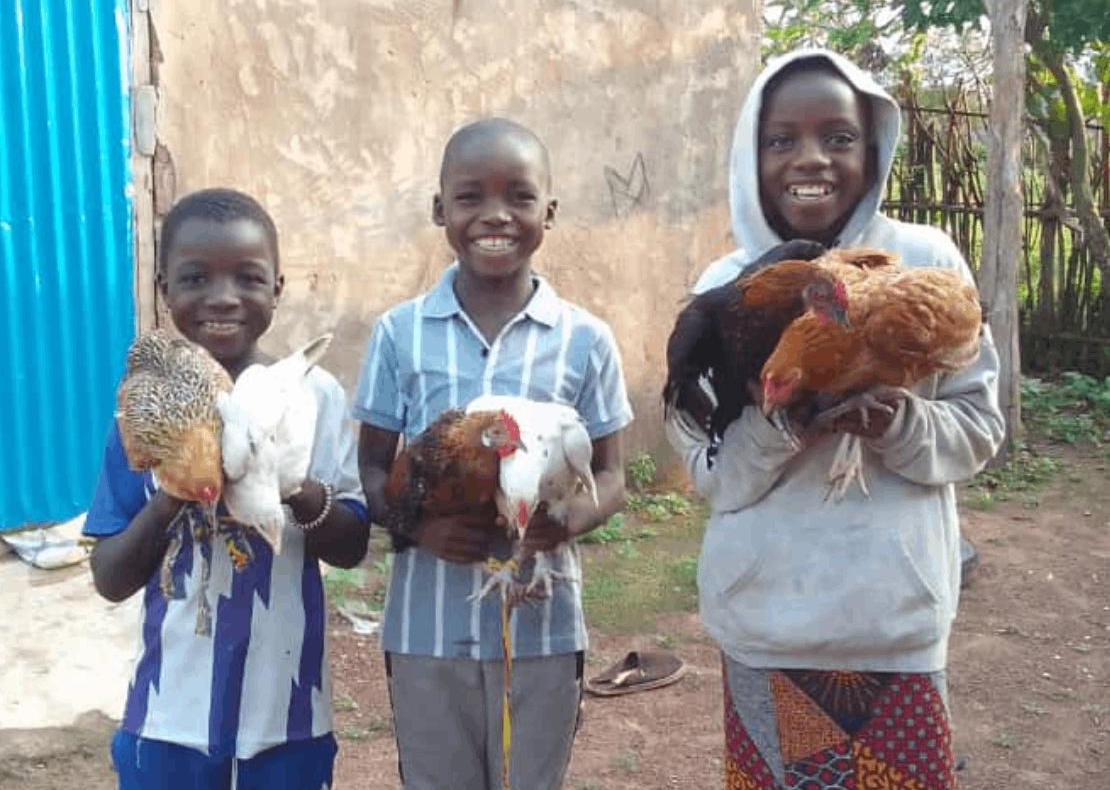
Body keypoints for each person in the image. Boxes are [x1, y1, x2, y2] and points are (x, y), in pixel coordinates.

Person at [666, 50, 1005, 789]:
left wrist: (900, 425)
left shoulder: (923, 263)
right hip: (765, 624)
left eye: (838, 137)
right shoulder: (726, 291)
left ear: (873, 147)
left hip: (894, 629)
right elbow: (709, 471)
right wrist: (783, 427)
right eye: (781, 138)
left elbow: (980, 427)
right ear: (751, 154)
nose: (809, 157)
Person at [355, 117, 633, 790]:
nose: (495, 215)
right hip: (427, 628)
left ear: (549, 211)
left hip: (542, 626)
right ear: (439, 208)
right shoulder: (399, 334)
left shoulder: (585, 339)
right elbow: (368, 467)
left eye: (519, 196)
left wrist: (565, 521)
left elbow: (611, 474)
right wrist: (420, 526)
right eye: (471, 196)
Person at [83, 188, 370, 790]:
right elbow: (110, 577)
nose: (222, 298)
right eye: (195, 278)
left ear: (278, 287)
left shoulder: (314, 399)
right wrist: (177, 488)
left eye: (248, 277)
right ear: (164, 288)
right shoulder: (143, 411)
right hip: (169, 713)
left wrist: (292, 484)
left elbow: (351, 546)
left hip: (287, 712)